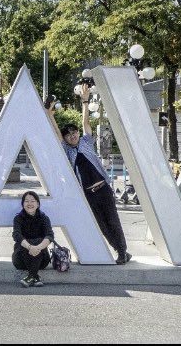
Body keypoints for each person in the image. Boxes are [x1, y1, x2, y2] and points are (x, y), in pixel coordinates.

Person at [48, 83, 131, 265]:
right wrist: (50, 116)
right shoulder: (67, 151)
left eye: (74, 133)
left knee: (113, 221)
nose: (73, 136)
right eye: (69, 135)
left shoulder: (86, 142)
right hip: (88, 194)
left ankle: (122, 252)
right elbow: (56, 134)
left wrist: (85, 102)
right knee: (102, 225)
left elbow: (86, 122)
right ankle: (120, 249)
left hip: (103, 189)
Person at [12, 191, 54, 288]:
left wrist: (37, 248)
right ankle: (35, 277)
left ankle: (31, 276)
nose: (29, 204)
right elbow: (16, 235)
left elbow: (50, 235)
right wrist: (30, 247)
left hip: (42, 261)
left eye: (32, 201)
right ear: (23, 204)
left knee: (38, 241)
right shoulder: (18, 218)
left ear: (38, 204)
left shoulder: (44, 218)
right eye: (26, 201)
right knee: (27, 242)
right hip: (20, 260)